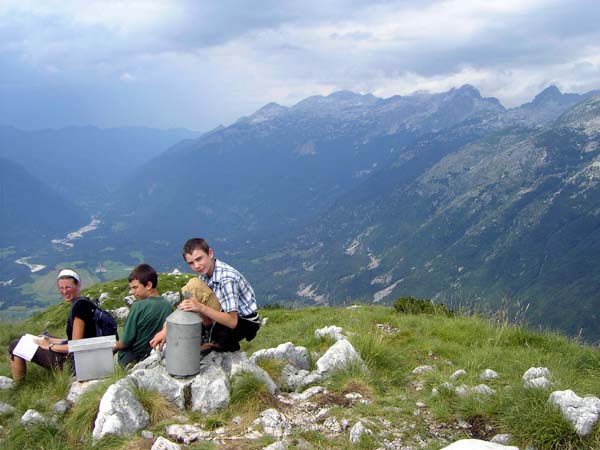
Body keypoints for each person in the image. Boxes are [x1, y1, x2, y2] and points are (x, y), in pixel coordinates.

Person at [150, 238, 260, 353]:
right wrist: (166, 329)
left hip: (244, 322)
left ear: (210, 253)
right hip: (226, 316)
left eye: (199, 259)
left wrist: (200, 307)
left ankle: (215, 339)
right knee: (190, 290)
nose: (197, 266)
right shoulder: (205, 274)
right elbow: (187, 304)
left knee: (194, 285)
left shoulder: (227, 279)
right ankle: (208, 334)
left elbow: (232, 322)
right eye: (191, 263)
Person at [8, 268, 98, 382]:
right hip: (88, 358)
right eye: (61, 288)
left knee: (15, 345)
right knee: (42, 338)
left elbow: (76, 346)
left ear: (78, 285)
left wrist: (49, 346)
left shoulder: (79, 309)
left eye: (68, 287)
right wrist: (51, 340)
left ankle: (18, 386)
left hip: (75, 365)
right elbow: (80, 339)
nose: (64, 291)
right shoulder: (86, 303)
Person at [113, 263, 173, 367]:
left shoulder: (138, 306)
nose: (132, 292)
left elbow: (125, 342)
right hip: (154, 357)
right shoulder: (167, 305)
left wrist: (109, 348)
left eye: (135, 287)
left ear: (148, 285)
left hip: (131, 360)